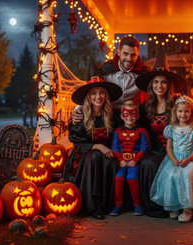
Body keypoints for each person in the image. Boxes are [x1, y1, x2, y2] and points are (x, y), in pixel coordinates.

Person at [62, 58, 123, 220]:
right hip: (84, 157)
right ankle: (93, 205)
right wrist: (97, 146)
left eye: (101, 92)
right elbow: (78, 144)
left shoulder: (113, 115)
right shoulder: (81, 116)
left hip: (107, 154)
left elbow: (118, 137)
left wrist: (110, 150)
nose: (98, 96)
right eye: (94, 93)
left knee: (109, 161)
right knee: (95, 157)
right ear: (88, 96)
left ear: (106, 94)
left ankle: (107, 204)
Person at [134, 46, 186, 218]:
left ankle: (175, 205)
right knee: (149, 162)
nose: (159, 85)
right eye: (156, 82)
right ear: (151, 85)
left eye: (163, 82)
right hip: (156, 149)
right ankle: (155, 206)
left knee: (171, 164)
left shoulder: (177, 102)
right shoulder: (145, 107)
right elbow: (132, 125)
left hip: (177, 149)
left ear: (168, 84)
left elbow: (189, 119)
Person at [150, 95, 193, 223]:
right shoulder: (171, 129)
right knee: (170, 176)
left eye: (186, 111)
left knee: (188, 175)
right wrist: (173, 160)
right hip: (174, 159)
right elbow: (168, 147)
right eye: (180, 111)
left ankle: (187, 208)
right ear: (176, 112)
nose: (183, 114)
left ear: (191, 113)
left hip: (191, 159)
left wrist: (188, 159)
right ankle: (174, 206)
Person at [72, 36, 151, 122]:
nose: (129, 59)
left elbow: (157, 89)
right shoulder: (105, 70)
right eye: (125, 54)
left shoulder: (144, 73)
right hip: (109, 117)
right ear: (118, 52)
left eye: (133, 55)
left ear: (137, 55)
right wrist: (78, 108)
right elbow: (90, 88)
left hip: (133, 117)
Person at [110, 100, 150, 216]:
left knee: (132, 178)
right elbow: (115, 147)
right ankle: (118, 205)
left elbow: (144, 147)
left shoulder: (141, 131)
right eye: (126, 114)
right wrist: (120, 160)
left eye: (133, 114)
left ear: (137, 116)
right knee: (118, 178)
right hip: (122, 161)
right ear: (122, 116)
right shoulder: (117, 132)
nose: (130, 117)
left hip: (134, 161)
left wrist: (135, 160)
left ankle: (137, 205)